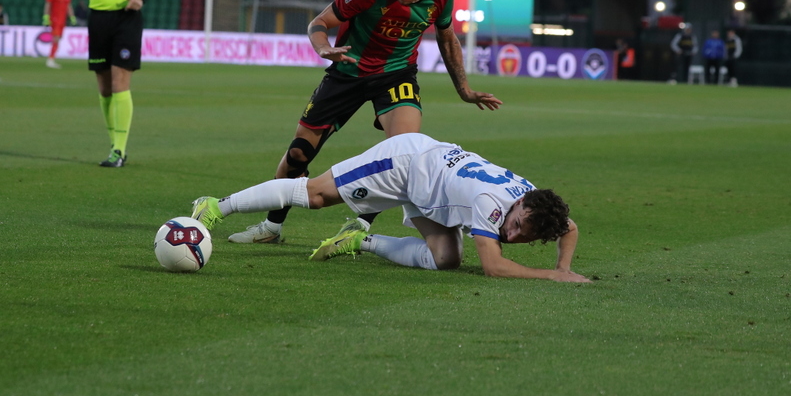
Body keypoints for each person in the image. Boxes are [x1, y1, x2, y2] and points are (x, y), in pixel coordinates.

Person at [227, 0, 503, 245]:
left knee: (402, 153)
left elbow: (447, 38)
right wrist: (323, 48)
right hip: (347, 71)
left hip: (396, 75)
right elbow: (319, 22)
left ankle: (358, 228)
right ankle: (271, 227)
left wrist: (464, 89)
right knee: (298, 154)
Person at [190, 133, 589, 282]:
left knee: (447, 259)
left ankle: (357, 241)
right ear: (517, 204)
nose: (513, 234)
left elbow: (568, 227)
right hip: (406, 163)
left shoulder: (536, 202)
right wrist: (553, 276)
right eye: (516, 224)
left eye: (525, 235)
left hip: (432, 191)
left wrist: (564, 265)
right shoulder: (492, 205)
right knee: (314, 195)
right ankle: (216, 206)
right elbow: (493, 267)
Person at [69, 0, 165, 168]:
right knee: (104, 87)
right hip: (98, 18)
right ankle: (114, 144)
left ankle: (119, 151)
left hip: (127, 18)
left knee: (120, 81)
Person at [43, 0, 76, 69]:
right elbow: (48, 4)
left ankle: (52, 58)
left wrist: (72, 16)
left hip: (63, 20)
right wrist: (46, 16)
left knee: (58, 38)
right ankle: (50, 60)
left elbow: (69, 6)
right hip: (55, 19)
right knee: (56, 38)